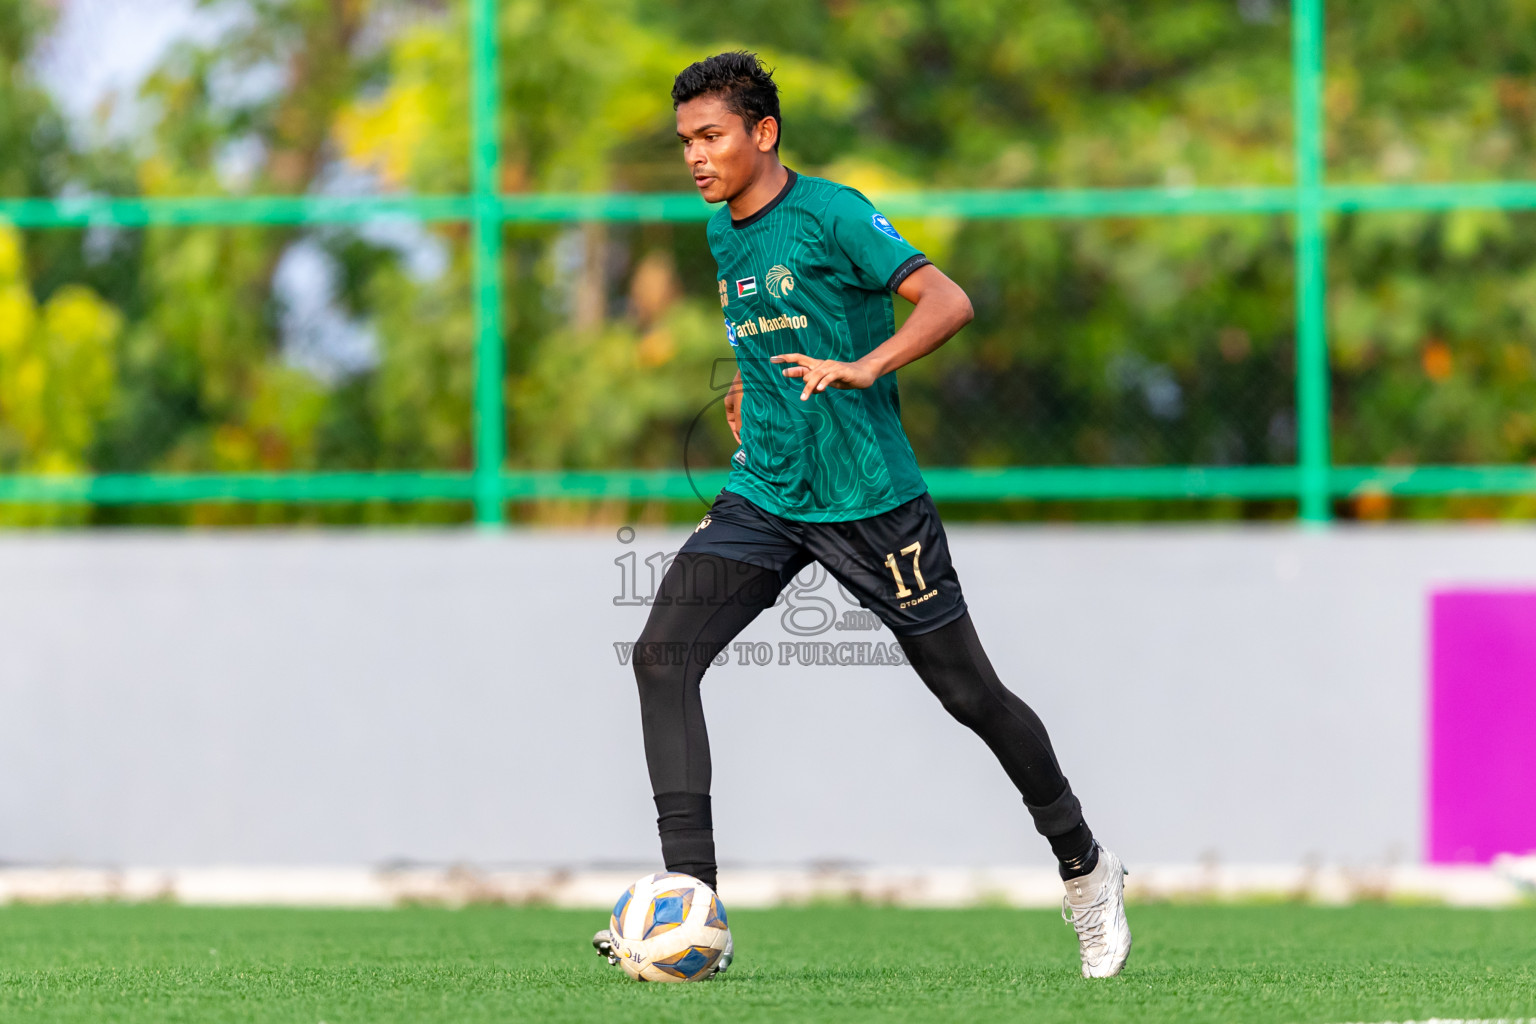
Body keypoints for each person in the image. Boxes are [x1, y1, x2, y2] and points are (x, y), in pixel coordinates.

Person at [595, 51, 1131, 979]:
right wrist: (752, 397)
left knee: (970, 696)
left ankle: (1085, 867)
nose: (694, 156)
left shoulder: (835, 214)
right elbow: (776, 338)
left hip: (871, 502)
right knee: (663, 654)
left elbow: (948, 300)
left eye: (710, 136)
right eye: (684, 140)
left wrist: (866, 367)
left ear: (763, 134)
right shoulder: (723, 229)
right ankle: (691, 903)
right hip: (766, 495)